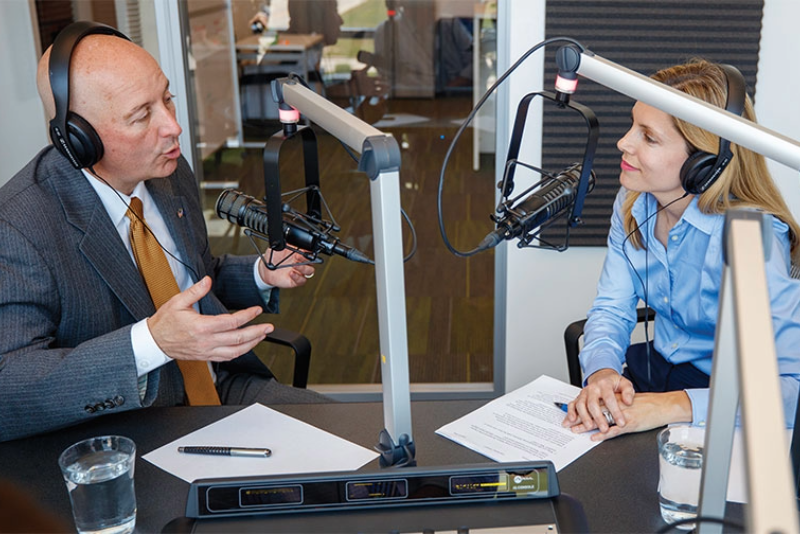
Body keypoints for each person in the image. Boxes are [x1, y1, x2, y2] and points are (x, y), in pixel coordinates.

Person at [0, 23, 329, 443]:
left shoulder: (166, 173)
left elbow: (194, 276)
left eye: (167, 99)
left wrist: (260, 275)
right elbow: (8, 389)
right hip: (127, 428)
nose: (172, 127)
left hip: (222, 389)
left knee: (360, 444)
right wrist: (151, 343)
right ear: (78, 138)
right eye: (142, 115)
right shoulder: (19, 226)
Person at [562, 59, 800, 441]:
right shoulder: (633, 202)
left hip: (724, 397)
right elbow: (611, 307)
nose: (624, 142)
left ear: (704, 164)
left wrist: (670, 405)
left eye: (649, 137)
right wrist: (603, 372)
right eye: (632, 125)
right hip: (656, 370)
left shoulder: (754, 239)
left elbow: (789, 390)